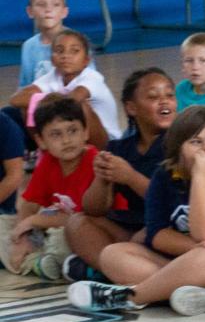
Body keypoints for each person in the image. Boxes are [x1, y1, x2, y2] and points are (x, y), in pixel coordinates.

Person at [67, 106, 205, 316]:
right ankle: (189, 293)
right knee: (112, 254)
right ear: (178, 147)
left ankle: (130, 296)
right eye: (196, 142)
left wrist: (200, 176)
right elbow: (157, 234)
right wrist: (195, 248)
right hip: (179, 260)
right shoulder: (164, 175)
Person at [65, 68, 178, 281]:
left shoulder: (181, 144)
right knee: (77, 223)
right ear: (131, 108)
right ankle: (117, 273)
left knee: (143, 237)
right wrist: (102, 177)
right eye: (153, 97)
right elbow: (94, 208)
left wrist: (130, 177)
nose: (164, 101)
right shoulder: (119, 148)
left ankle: (154, 278)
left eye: (169, 95)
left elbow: (173, 204)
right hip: (133, 226)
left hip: (168, 228)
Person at [0, 96, 94, 278]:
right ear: (41, 141)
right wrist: (23, 235)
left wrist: (33, 222)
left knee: (61, 240)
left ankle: (39, 263)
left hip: (82, 230)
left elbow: (83, 220)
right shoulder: (48, 162)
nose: (67, 140)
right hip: (47, 227)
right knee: (3, 224)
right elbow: (29, 204)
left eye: (73, 131)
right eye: (56, 134)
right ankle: (39, 262)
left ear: (86, 132)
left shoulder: (94, 162)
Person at [11, 29, 120, 145]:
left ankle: (89, 156)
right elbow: (16, 100)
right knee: (26, 106)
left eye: (74, 51)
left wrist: (42, 99)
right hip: (73, 136)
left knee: (82, 107)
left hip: (108, 143)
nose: (66, 56)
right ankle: (44, 149)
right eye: (59, 51)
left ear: (86, 61)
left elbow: (73, 100)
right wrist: (38, 100)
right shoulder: (53, 76)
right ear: (52, 60)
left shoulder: (92, 77)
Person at [19, 0, 77, 87]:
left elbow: (90, 85)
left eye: (55, 4)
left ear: (65, 11)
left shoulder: (77, 43)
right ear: (30, 11)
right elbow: (25, 86)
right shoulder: (28, 46)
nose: (48, 9)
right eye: (41, 4)